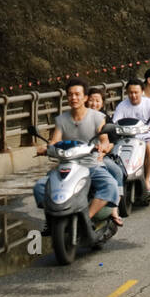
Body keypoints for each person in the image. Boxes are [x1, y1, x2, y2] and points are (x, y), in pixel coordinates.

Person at [34, 78, 123, 226]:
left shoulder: (97, 117)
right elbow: (54, 141)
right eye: (70, 94)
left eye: (77, 94)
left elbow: (104, 140)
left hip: (91, 165)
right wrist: (46, 148)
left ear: (85, 97)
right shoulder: (61, 120)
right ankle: (53, 219)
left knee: (110, 185)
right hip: (66, 165)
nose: (73, 98)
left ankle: (87, 218)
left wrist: (103, 146)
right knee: (40, 187)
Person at [112, 78, 150, 192]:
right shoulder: (122, 106)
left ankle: (148, 179)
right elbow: (115, 122)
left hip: (146, 134)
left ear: (142, 92)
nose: (133, 95)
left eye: (136, 92)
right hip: (127, 136)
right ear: (127, 92)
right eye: (131, 92)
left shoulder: (149, 103)